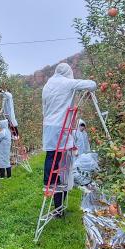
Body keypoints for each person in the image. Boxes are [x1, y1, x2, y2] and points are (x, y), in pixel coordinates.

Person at [42, 63, 96, 216]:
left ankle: (49, 182)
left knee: (52, 154)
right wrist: (91, 86)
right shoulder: (66, 83)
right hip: (60, 125)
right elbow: (91, 84)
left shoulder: (47, 86)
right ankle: (52, 183)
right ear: (67, 72)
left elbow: (44, 107)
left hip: (49, 124)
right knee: (57, 157)